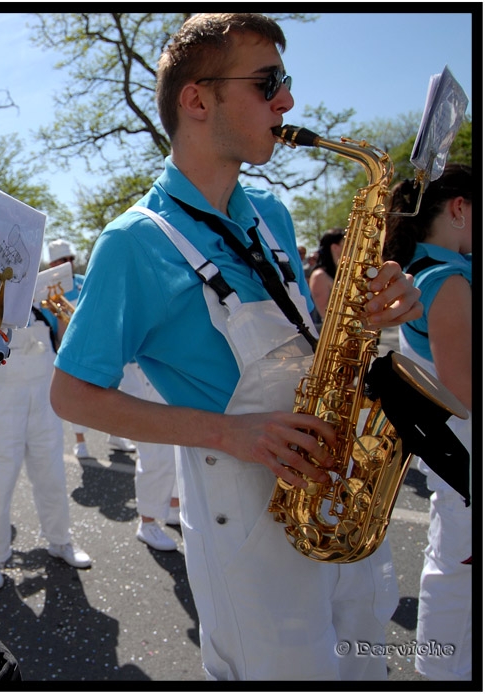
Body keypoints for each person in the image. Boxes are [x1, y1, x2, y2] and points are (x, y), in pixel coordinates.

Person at [50, 13, 422, 680]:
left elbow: (307, 342)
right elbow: (71, 394)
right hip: (245, 520)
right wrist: (228, 433)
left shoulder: (272, 215)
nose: (288, 102)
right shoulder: (133, 241)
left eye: (286, 82)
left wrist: (371, 308)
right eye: (268, 82)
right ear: (198, 99)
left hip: (332, 490)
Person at [383, 164, 472, 681]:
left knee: (452, 567)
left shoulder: (426, 271)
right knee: (459, 576)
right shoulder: (450, 279)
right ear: (460, 209)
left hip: (451, 449)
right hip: (465, 449)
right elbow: (466, 388)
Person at [0, 304, 92, 591]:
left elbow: (64, 341)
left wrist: (63, 312)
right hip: (1, 397)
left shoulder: (44, 302)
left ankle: (60, 539)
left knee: (51, 474)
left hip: (43, 396)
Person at [42, 239, 135, 459]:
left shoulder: (85, 281)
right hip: (68, 349)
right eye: (61, 260)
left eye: (69, 259)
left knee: (111, 393)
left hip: (97, 344)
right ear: (53, 263)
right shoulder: (47, 292)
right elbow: (53, 330)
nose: (67, 263)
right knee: (77, 397)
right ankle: (80, 442)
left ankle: (116, 433)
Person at [121, 362, 181, 552]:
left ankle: (172, 506)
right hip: (141, 370)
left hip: (164, 369)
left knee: (177, 448)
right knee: (154, 454)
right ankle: (147, 523)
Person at [308, 228, 345, 326]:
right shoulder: (319, 276)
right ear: (334, 247)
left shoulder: (338, 272)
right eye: (345, 243)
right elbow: (325, 313)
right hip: (329, 335)